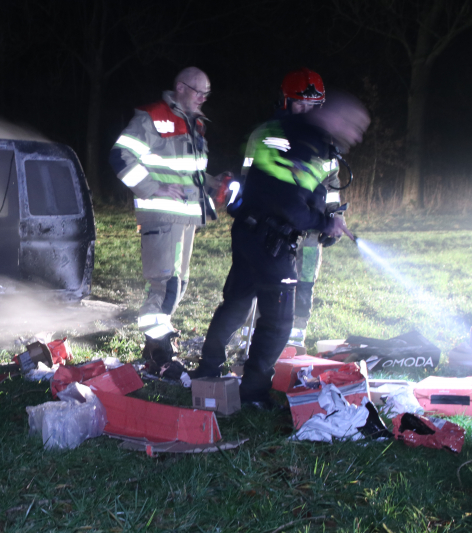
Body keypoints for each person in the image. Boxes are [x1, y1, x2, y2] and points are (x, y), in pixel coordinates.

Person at [190, 91, 369, 408]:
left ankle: (207, 369)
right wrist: (323, 223)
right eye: (354, 126)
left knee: (237, 302)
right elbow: (289, 203)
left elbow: (293, 190)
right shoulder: (306, 144)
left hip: (250, 230)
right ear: (336, 118)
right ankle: (254, 392)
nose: (355, 136)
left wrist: (325, 218)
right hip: (271, 240)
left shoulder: (285, 130)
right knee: (278, 320)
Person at [109, 67, 214, 372]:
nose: (203, 98)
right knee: (165, 284)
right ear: (180, 87)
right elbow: (120, 156)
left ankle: (157, 343)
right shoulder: (151, 118)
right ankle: (156, 349)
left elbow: (186, 173)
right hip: (162, 216)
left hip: (184, 219)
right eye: (199, 91)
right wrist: (153, 188)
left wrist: (214, 183)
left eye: (207, 93)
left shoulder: (194, 125)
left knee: (178, 284)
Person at [239, 68, 343, 351]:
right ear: (285, 101)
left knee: (304, 284)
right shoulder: (266, 136)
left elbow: (332, 185)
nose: (306, 111)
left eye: (313, 106)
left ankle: (294, 344)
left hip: (311, 231)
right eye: (300, 103)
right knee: (268, 284)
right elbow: (251, 183)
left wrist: (334, 216)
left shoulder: (325, 143)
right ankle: (257, 345)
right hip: (271, 230)